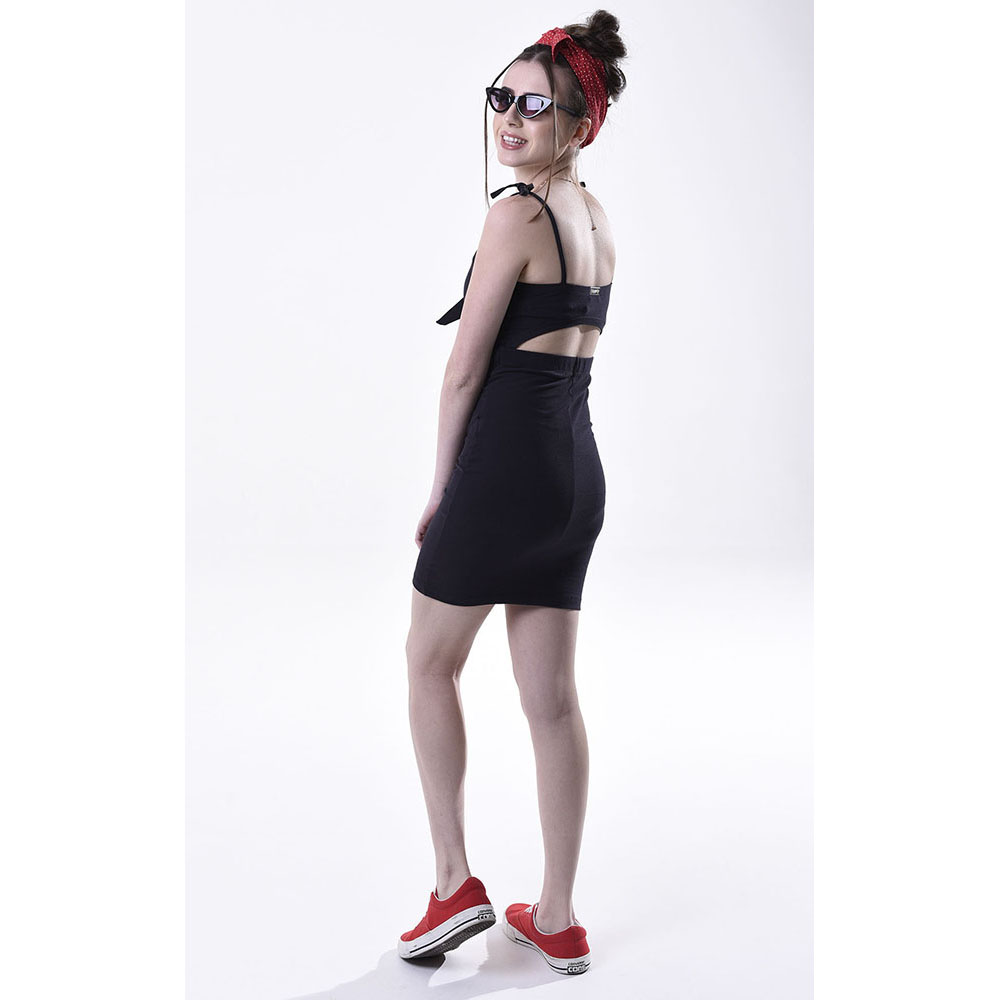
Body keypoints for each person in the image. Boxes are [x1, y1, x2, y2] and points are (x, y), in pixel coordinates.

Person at [399, 11, 628, 976]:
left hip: (503, 469)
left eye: (536, 105)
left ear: (579, 124)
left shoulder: (517, 214)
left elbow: (465, 369)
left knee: (428, 662)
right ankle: (559, 918)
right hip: (573, 473)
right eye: (502, 98)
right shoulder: (593, 215)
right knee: (552, 702)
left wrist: (442, 489)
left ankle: (453, 883)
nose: (510, 117)